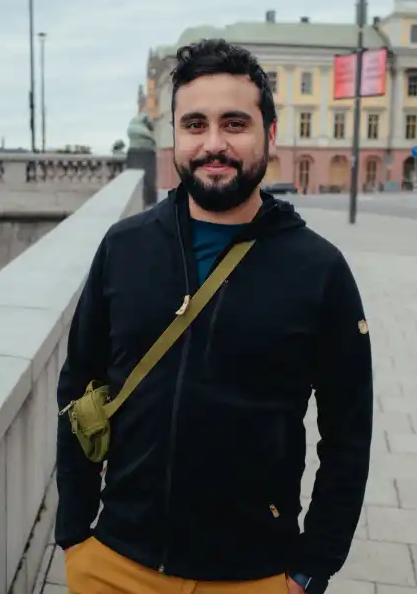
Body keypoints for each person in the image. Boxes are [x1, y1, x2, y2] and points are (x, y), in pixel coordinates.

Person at [55, 38, 373, 594]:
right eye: (195, 124)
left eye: (235, 123)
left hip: (252, 575)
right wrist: (76, 533)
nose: (214, 144)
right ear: (174, 134)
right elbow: (79, 380)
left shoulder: (319, 270)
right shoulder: (124, 247)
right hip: (113, 563)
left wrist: (311, 567)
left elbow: (349, 433)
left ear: (270, 135)